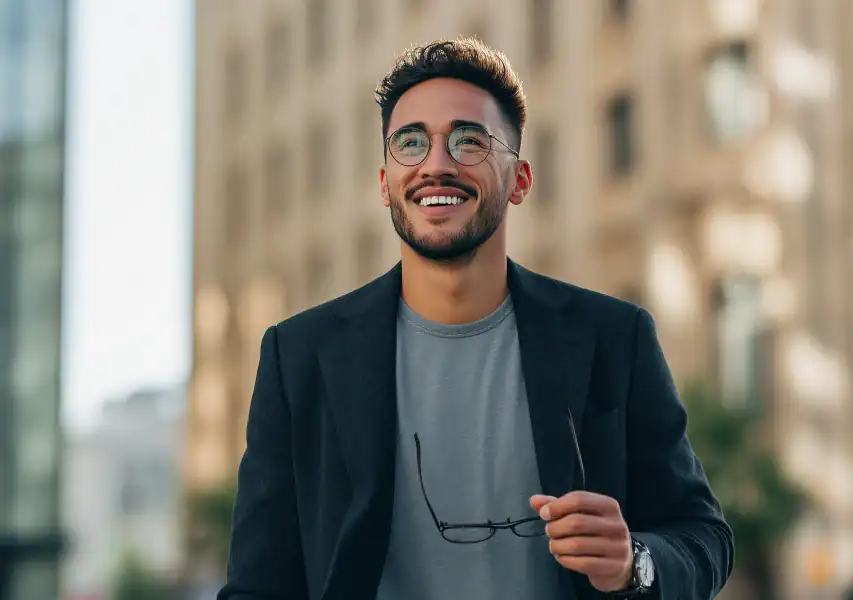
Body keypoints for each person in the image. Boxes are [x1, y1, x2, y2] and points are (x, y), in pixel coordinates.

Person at [218, 37, 734, 600]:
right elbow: (257, 585)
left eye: (469, 141)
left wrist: (633, 562)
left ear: (520, 180)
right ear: (385, 182)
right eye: (410, 143)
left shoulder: (614, 339)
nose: (436, 165)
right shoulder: (300, 358)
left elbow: (704, 537)